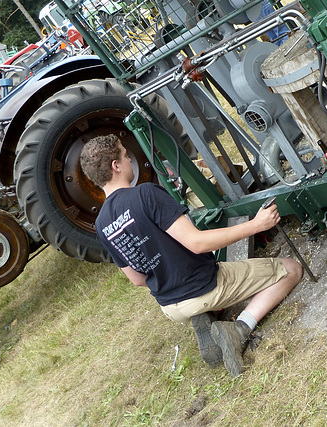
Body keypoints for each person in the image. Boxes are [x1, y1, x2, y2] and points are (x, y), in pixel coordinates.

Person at [79, 134, 302, 377]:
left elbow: (137, 279)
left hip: (171, 307)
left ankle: (204, 316)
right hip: (203, 287)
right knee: (291, 269)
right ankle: (239, 329)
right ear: (116, 166)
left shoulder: (102, 224)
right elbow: (197, 244)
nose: (129, 159)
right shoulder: (144, 194)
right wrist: (257, 225)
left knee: (201, 291)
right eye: (125, 155)